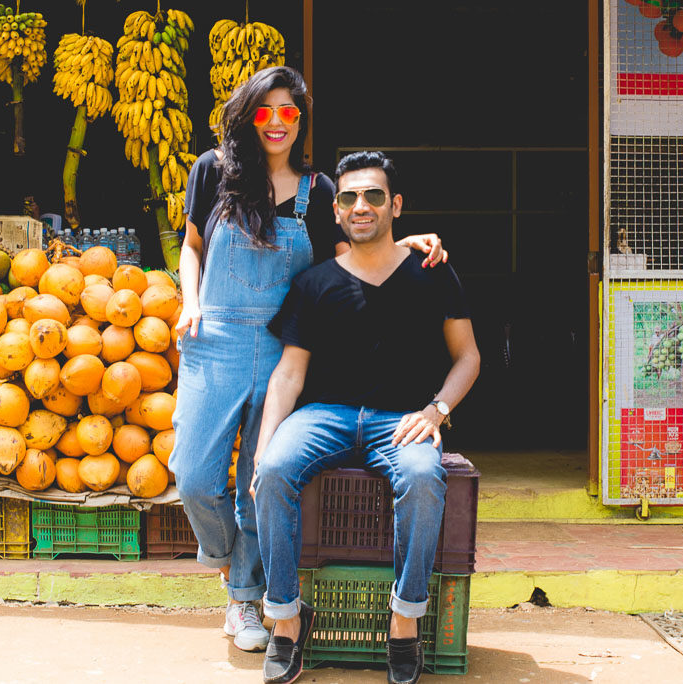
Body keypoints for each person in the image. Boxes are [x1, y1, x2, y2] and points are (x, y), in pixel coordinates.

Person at [169, 68, 448, 653]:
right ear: (248, 116)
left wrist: (409, 242)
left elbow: (355, 254)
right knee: (193, 476)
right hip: (212, 339)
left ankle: (244, 599)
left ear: (300, 120)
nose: (276, 122)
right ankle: (227, 566)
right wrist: (190, 302)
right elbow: (192, 246)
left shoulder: (320, 190)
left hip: (283, 350)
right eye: (264, 111)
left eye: (288, 112)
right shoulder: (212, 171)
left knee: (256, 478)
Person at [252, 151, 481, 684]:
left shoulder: (432, 272)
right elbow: (289, 375)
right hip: (324, 416)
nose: (362, 206)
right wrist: (265, 445)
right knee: (274, 471)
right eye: (350, 197)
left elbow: (468, 356)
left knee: (425, 477)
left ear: (394, 206)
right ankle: (285, 622)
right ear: (335, 210)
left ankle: (403, 624)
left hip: (399, 418)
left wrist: (436, 409)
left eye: (374, 196)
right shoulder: (315, 284)